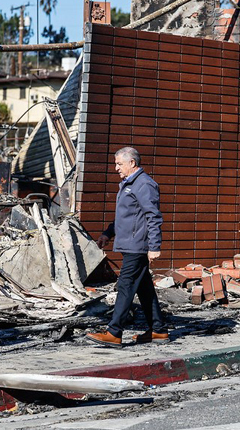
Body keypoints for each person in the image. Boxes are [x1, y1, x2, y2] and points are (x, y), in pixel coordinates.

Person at [87, 147, 169, 348]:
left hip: (138, 246)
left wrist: (154, 246)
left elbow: (153, 216)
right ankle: (158, 330)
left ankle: (114, 332)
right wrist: (108, 233)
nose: (116, 168)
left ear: (132, 163)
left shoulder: (144, 185)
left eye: (119, 164)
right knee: (144, 288)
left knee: (125, 286)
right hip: (131, 244)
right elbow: (126, 216)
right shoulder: (129, 184)